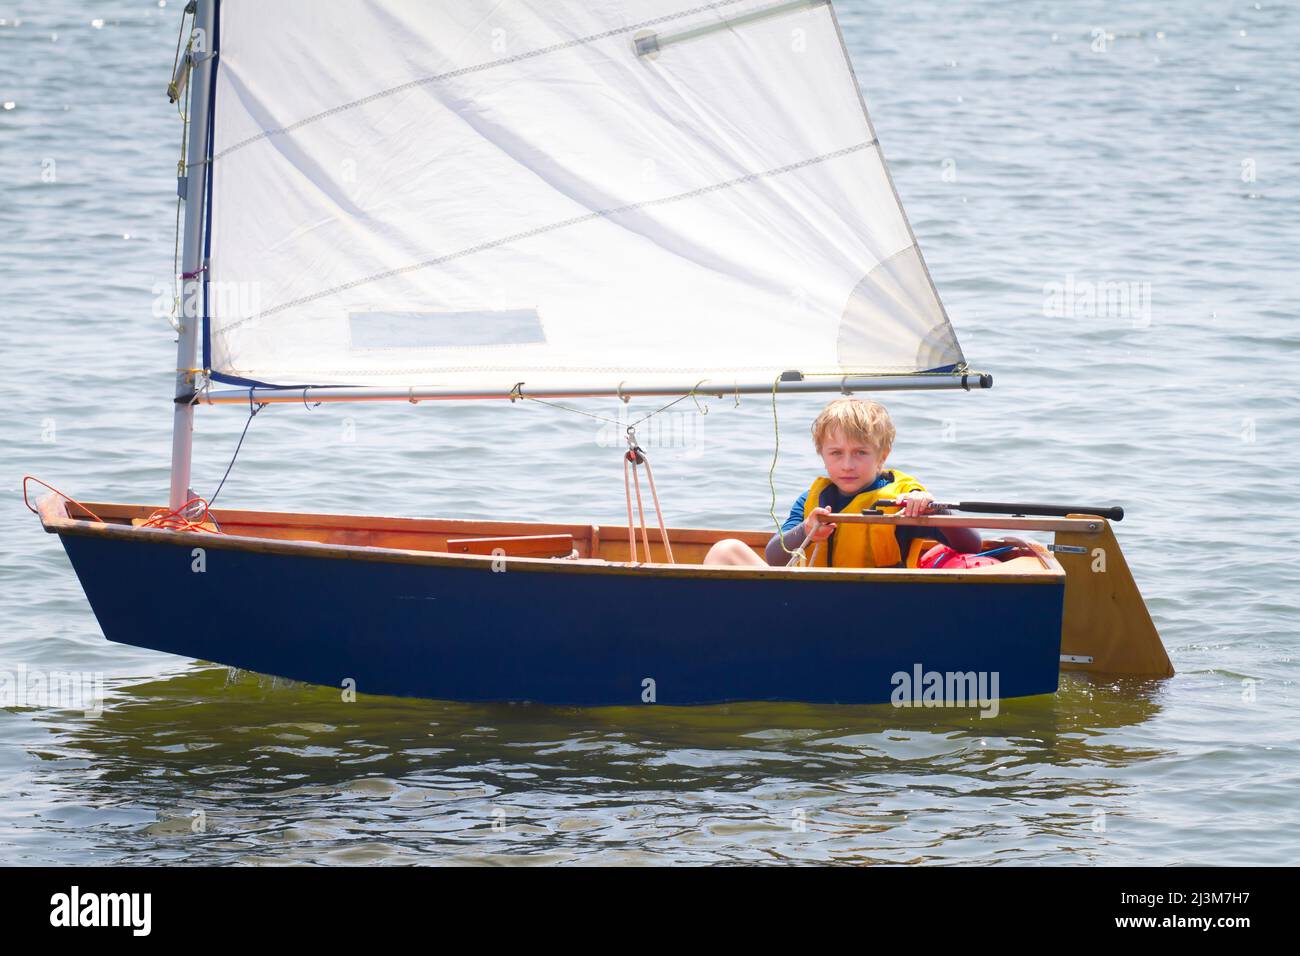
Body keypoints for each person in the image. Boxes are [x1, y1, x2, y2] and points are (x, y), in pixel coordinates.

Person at [703, 398, 981, 567]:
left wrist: (935, 511)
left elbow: (971, 545)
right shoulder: (811, 500)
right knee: (726, 550)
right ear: (823, 456)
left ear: (882, 456)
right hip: (815, 600)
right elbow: (776, 557)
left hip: (878, 604)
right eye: (836, 453)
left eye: (860, 453)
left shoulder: (904, 498)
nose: (847, 464)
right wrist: (807, 529)